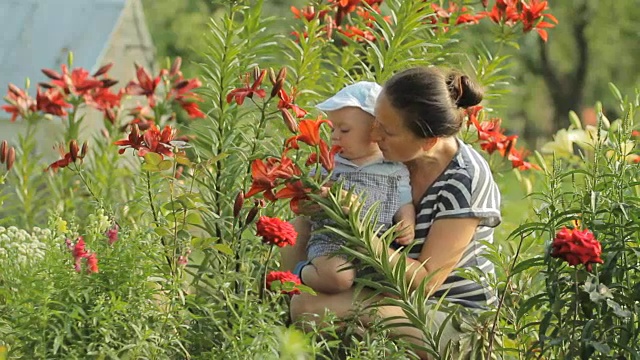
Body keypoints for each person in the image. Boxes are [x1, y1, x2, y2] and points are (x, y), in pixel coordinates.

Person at [281, 67, 501, 358]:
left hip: (451, 317)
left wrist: (356, 224)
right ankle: (287, 294)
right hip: (385, 292)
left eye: (386, 129)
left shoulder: (464, 180)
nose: (373, 134)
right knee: (298, 227)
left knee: (309, 309)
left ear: (428, 141)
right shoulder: (394, 158)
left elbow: (424, 283)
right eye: (375, 120)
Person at [294, 81, 416, 294]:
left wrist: (407, 224)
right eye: (333, 129)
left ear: (375, 131)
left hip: (375, 245)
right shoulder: (326, 165)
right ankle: (299, 272)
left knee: (391, 286)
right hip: (332, 244)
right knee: (338, 279)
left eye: (344, 129)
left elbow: (404, 202)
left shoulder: (394, 169)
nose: (334, 136)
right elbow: (302, 202)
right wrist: (308, 205)